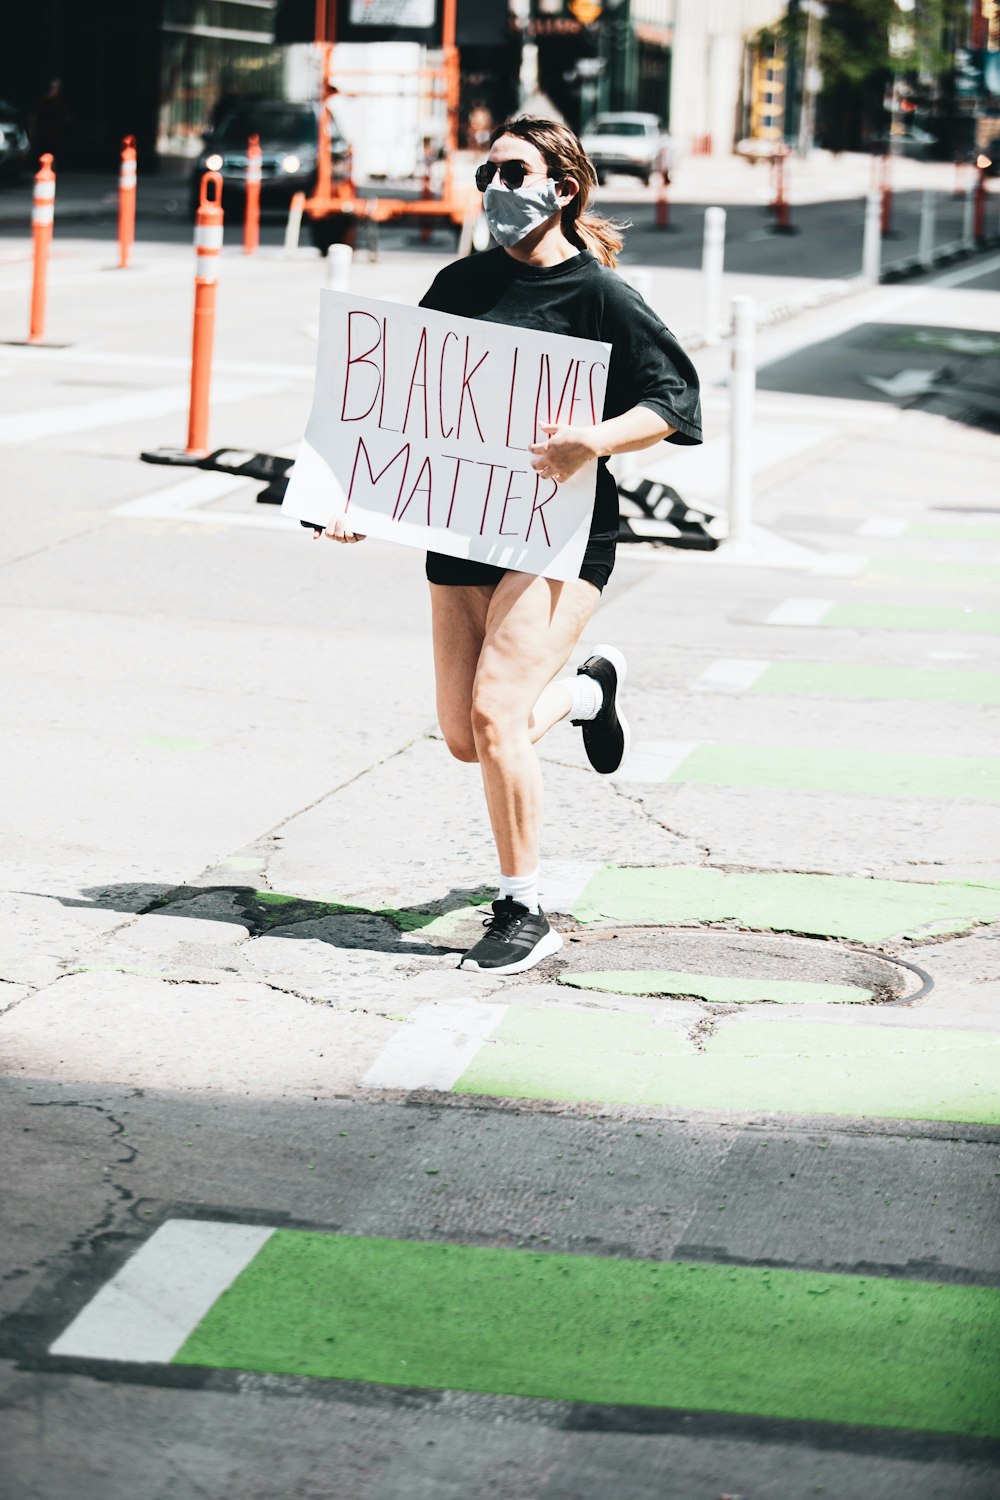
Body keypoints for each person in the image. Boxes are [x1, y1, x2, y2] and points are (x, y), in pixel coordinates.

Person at [322, 116, 702, 975]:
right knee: (466, 735)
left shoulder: (601, 296)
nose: (495, 186)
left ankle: (523, 907)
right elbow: (405, 412)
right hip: (464, 523)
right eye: (487, 172)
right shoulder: (461, 283)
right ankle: (587, 692)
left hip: (561, 534)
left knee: (497, 715)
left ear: (562, 190)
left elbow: (673, 404)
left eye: (513, 172)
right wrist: (349, 495)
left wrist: (591, 442)